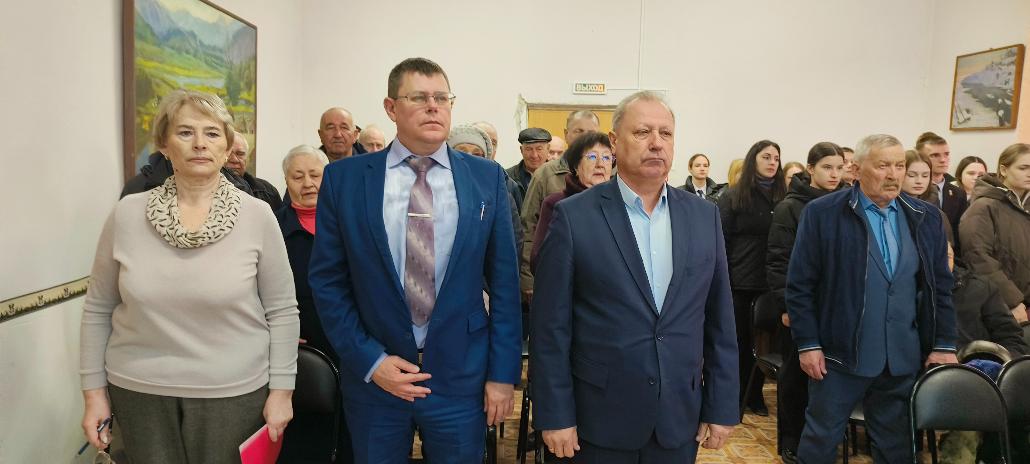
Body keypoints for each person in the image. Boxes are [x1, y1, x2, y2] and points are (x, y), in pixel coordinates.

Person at [307, 57, 522, 463]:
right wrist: (371, 361)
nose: (433, 107)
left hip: (461, 378)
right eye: (419, 97)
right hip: (377, 380)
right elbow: (328, 283)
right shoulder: (345, 180)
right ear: (391, 108)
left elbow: (505, 284)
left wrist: (502, 374)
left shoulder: (486, 177)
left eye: (442, 98)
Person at [79, 89, 299, 463]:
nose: (199, 143)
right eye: (185, 132)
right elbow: (98, 308)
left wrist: (282, 391)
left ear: (227, 147)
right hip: (138, 393)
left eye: (212, 133)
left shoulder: (258, 216)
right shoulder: (127, 215)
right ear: (164, 145)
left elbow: (282, 311)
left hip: (233, 395)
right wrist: (93, 393)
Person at [531, 90, 738, 463]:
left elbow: (720, 319)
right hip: (598, 418)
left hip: (678, 416)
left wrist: (722, 405)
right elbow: (550, 327)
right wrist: (555, 413)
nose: (656, 143)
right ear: (614, 142)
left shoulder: (703, 216)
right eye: (643, 132)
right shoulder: (574, 217)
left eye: (666, 133)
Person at [786, 134, 958, 463]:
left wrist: (944, 343)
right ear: (857, 169)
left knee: (897, 447)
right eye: (882, 166)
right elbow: (800, 285)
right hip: (839, 355)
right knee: (821, 440)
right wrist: (808, 343)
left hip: (902, 356)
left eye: (900, 165)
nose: (893, 174)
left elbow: (940, 287)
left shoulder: (925, 217)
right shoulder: (823, 213)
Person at [273, 145, 355, 463]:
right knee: (305, 440)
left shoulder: (350, 221)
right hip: (299, 348)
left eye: (315, 175)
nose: (307, 183)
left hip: (350, 343)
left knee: (350, 434)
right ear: (286, 181)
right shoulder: (274, 228)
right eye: (297, 176)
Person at [765, 142, 844, 462]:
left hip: (836, 308)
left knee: (831, 380)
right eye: (827, 167)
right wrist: (786, 306)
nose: (834, 174)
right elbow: (778, 261)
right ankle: (791, 440)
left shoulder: (846, 203)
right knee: (795, 380)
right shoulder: (791, 207)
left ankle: (823, 441)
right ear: (811, 169)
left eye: (839, 167)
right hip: (801, 307)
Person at [717, 139, 786, 416]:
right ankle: (735, 395)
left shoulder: (782, 197)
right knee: (740, 343)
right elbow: (720, 240)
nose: (772, 162)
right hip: (740, 281)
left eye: (776, 158)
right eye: (766, 157)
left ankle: (755, 395)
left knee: (765, 345)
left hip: (772, 283)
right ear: (753, 160)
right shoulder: (734, 196)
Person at [518, 110, 601, 305]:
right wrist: (528, 279)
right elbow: (528, 227)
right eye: (578, 131)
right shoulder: (545, 174)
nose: (585, 137)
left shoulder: (609, 172)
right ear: (566, 134)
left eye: (591, 132)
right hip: (554, 270)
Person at [960, 143, 1030, 326]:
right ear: (1004, 170)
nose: (1029, 173)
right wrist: (1012, 300)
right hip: (1002, 305)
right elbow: (977, 257)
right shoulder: (984, 206)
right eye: (1023, 168)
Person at [529, 131, 614, 269]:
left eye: (606, 157)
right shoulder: (556, 203)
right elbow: (539, 259)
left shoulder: (619, 203)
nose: (600, 164)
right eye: (592, 157)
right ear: (576, 166)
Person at [448, 124, 524, 253]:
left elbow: (511, 241)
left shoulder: (500, 192)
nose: (470, 158)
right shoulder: (438, 187)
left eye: (477, 154)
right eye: (462, 152)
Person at [916, 131, 967, 240]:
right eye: (935, 155)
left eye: (946, 154)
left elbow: (959, 232)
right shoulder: (912, 189)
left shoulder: (959, 193)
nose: (943, 160)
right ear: (920, 158)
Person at [226, 131, 282, 211]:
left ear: (247, 158)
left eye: (240, 154)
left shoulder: (268, 191)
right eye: (228, 154)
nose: (234, 159)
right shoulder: (207, 192)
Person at [507, 127, 551, 194]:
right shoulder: (508, 177)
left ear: (548, 149)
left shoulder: (559, 176)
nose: (534, 155)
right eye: (529, 149)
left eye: (539, 149)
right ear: (521, 150)